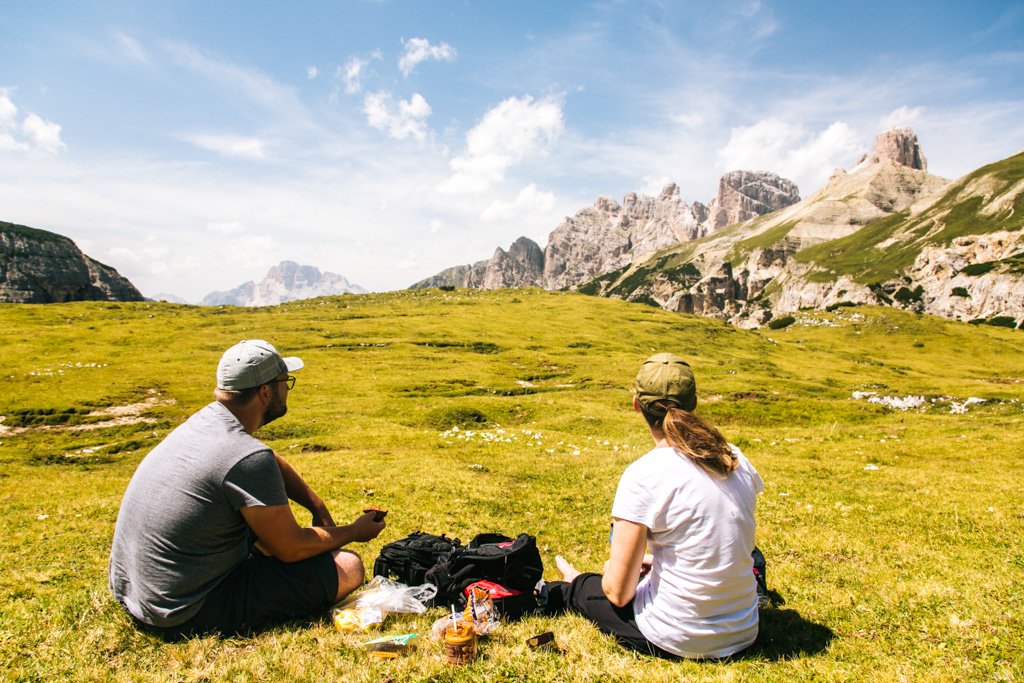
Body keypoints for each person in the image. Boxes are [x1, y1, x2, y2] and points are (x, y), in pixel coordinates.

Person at [109, 339, 385, 638]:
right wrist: (354, 531)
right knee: (348, 566)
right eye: (285, 382)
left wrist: (315, 505)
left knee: (261, 531)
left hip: (138, 593)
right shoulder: (246, 458)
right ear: (266, 392)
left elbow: (269, 458)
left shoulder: (207, 424)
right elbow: (291, 548)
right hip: (182, 611)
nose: (287, 390)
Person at [545, 352, 764, 659]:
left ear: (637, 405)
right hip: (745, 628)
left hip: (678, 636)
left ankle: (570, 586)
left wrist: (585, 583)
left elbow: (619, 594)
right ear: (694, 403)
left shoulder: (644, 474)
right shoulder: (735, 457)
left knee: (589, 588)